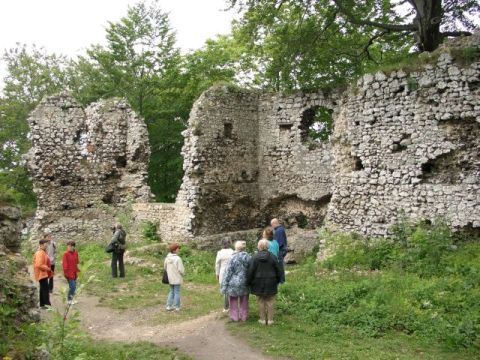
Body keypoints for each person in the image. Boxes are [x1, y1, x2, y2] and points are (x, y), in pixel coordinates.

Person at [247, 239, 281, 325]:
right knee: (270, 301)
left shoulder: (254, 257)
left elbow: (250, 271)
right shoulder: (273, 257)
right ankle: (270, 320)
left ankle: (262, 319)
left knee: (260, 300)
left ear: (259, 247)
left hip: (258, 282)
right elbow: (278, 270)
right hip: (271, 281)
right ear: (268, 246)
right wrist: (278, 280)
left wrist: (248, 282)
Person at [221, 241, 251, 322]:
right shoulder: (248, 257)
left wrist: (224, 285)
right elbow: (251, 270)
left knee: (233, 300)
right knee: (244, 299)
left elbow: (228, 272)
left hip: (233, 283)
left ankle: (234, 317)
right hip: (245, 282)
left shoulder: (232, 258)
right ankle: (243, 316)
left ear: (236, 248)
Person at [215, 238, 234, 312]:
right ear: (229, 243)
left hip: (222, 272)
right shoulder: (232, 252)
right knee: (231, 289)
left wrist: (217, 274)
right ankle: (232, 306)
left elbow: (217, 264)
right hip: (231, 272)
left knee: (225, 290)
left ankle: (226, 307)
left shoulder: (220, 252)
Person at [164, 243, 185, 311]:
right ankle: (177, 307)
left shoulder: (167, 258)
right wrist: (183, 274)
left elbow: (165, 267)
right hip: (177, 278)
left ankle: (168, 306)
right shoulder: (178, 259)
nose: (179, 250)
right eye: (178, 248)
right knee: (177, 292)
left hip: (170, 278)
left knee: (171, 291)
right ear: (174, 250)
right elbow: (181, 269)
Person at [33, 239, 52, 308]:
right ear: (41, 245)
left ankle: (42, 304)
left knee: (42, 289)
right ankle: (47, 305)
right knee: (45, 289)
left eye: (47, 244)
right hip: (41, 273)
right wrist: (48, 268)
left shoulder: (43, 252)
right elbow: (39, 264)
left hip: (43, 273)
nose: (46, 245)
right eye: (45, 244)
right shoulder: (40, 253)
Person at [62, 240, 80, 305]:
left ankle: (72, 298)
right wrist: (66, 273)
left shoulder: (76, 253)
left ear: (73, 247)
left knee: (74, 286)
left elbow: (77, 262)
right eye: (68, 246)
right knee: (73, 286)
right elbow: (64, 265)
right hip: (69, 273)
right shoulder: (65, 254)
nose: (68, 247)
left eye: (69, 246)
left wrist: (78, 270)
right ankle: (69, 300)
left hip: (74, 272)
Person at [271, 218, 287, 283]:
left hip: (280, 251)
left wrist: (274, 249)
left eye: (272, 225)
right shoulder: (279, 229)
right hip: (281, 250)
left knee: (280, 266)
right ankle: (280, 280)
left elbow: (279, 243)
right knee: (279, 266)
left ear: (275, 223)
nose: (272, 226)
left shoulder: (279, 231)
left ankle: (282, 281)